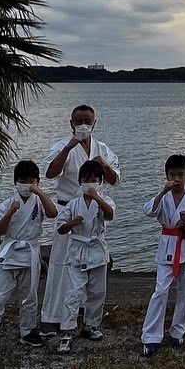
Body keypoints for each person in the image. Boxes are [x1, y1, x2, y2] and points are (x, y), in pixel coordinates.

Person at [40, 105, 120, 335]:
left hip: (94, 210)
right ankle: (53, 316)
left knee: (92, 266)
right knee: (61, 263)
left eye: (87, 121)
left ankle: (84, 313)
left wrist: (103, 164)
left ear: (94, 123)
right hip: (68, 208)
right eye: (79, 121)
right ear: (71, 123)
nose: (83, 125)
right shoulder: (62, 146)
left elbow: (114, 181)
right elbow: (50, 173)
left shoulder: (102, 149)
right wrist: (68, 147)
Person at [0, 160, 58, 357]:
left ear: (37, 182)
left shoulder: (39, 201)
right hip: (9, 251)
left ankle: (27, 331)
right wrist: (11, 212)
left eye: (31, 181)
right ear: (16, 182)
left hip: (30, 251)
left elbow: (53, 213)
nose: (27, 184)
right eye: (23, 181)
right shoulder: (7, 203)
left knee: (29, 296)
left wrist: (39, 192)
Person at [141, 154, 185, 356]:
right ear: (167, 176)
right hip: (167, 246)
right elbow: (149, 211)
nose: (177, 179)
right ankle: (151, 336)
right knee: (161, 291)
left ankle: (178, 331)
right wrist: (163, 191)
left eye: (180, 175)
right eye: (172, 175)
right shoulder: (163, 197)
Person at [54, 160, 115, 354]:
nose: (90, 183)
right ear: (80, 181)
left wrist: (97, 197)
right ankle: (67, 332)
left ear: (100, 182)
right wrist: (71, 223)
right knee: (73, 293)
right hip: (77, 252)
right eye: (87, 180)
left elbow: (110, 215)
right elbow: (60, 228)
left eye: (94, 180)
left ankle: (91, 325)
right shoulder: (73, 204)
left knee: (97, 292)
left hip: (97, 251)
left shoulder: (105, 200)